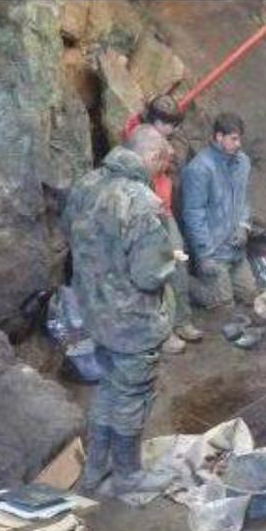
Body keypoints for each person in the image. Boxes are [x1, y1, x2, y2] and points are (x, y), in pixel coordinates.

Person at [64, 125, 180, 494]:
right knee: (132, 396)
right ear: (154, 158)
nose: (162, 172)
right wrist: (170, 258)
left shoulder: (86, 185)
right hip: (132, 323)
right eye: (163, 164)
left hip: (95, 312)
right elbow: (149, 275)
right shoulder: (141, 203)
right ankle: (128, 474)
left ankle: (96, 466)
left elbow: (72, 235)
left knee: (108, 387)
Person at [122, 95, 203, 352]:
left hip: (165, 213)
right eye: (171, 124)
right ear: (157, 122)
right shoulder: (138, 141)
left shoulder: (165, 144)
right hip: (147, 217)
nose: (174, 130)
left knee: (178, 263)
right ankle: (163, 332)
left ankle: (182, 320)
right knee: (158, 272)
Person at [178, 112, 258, 309]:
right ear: (219, 137)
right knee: (223, 306)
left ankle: (217, 286)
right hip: (213, 251)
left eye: (240, 138)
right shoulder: (199, 169)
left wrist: (244, 225)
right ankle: (185, 283)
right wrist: (204, 255)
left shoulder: (242, 163)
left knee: (251, 297)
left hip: (235, 249)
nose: (239, 144)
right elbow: (193, 215)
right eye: (234, 139)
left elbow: (244, 199)